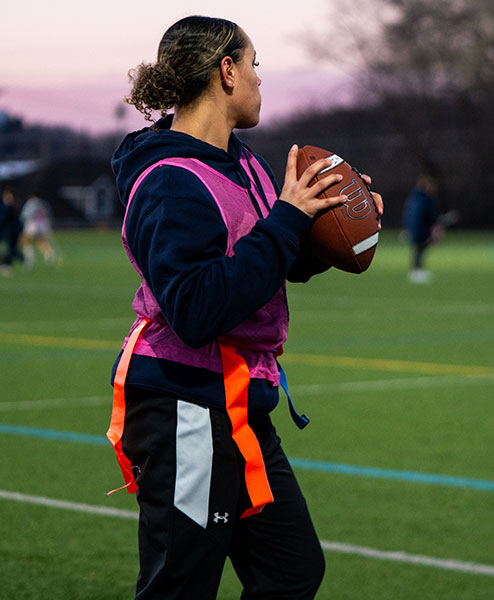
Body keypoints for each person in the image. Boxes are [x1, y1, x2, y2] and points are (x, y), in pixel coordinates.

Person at [106, 16, 383, 599]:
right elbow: (198, 307)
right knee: (179, 587)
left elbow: (270, 263)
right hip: (183, 405)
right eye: (255, 64)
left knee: (291, 571)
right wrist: (287, 218)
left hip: (237, 404)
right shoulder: (169, 179)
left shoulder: (245, 161)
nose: (261, 79)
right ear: (226, 71)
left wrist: (329, 228)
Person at [403, 173, 440, 283]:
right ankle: (417, 271)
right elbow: (427, 214)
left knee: (418, 249)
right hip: (420, 228)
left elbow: (409, 214)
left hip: (414, 228)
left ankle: (417, 270)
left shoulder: (414, 197)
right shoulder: (425, 199)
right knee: (419, 249)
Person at [20, 194, 57, 269]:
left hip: (33, 224)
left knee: (26, 240)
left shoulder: (30, 203)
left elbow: (25, 215)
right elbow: (49, 214)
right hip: (44, 224)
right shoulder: (43, 203)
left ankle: (28, 258)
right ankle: (49, 254)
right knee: (41, 240)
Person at [0, 187, 23, 275]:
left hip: (11, 231)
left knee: (10, 248)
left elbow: (17, 221)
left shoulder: (13, 207)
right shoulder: (3, 206)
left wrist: (20, 229)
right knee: (8, 248)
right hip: (4, 230)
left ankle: (9, 263)